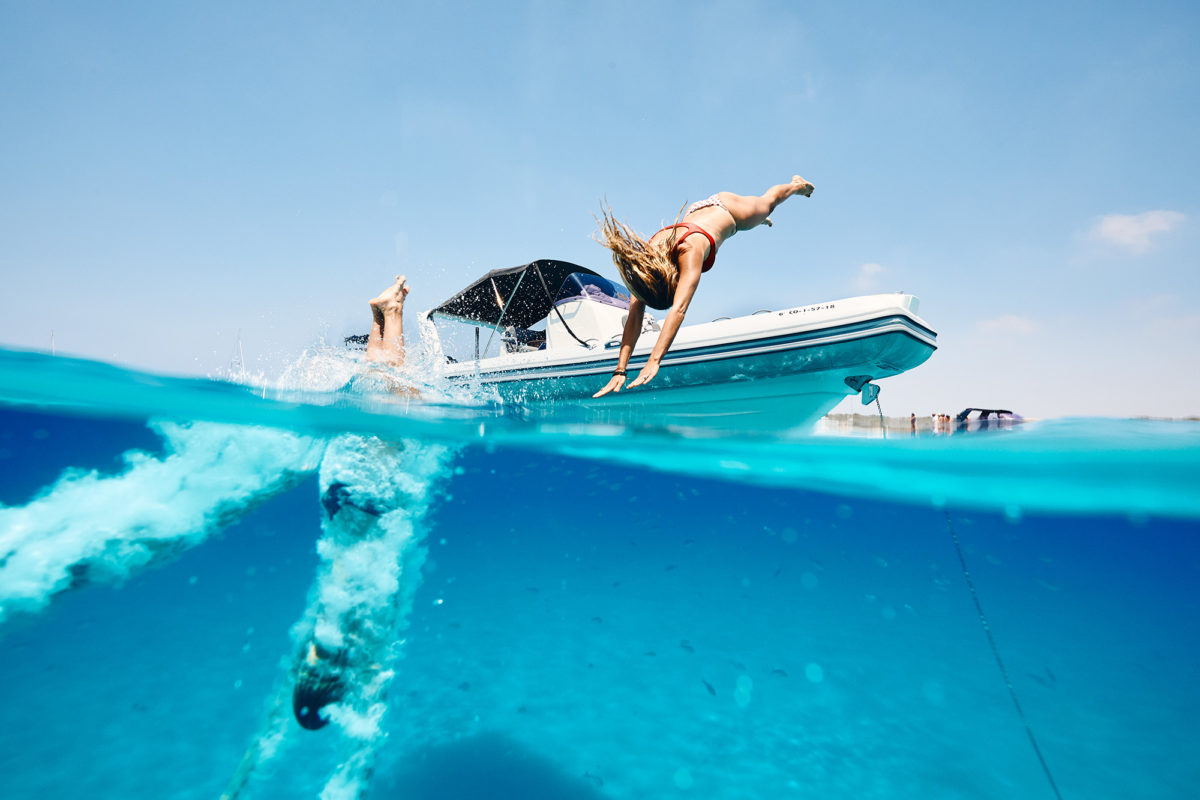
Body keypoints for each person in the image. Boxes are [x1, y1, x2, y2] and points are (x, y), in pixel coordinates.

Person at [592, 175, 815, 398]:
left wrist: (654, 360)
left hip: (731, 211)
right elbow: (634, 316)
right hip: (697, 213)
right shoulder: (649, 266)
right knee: (756, 217)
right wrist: (620, 369)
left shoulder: (691, 249)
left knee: (769, 203)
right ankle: (758, 220)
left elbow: (678, 309)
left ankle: (796, 185)